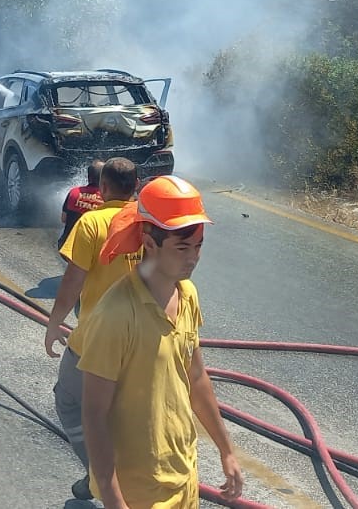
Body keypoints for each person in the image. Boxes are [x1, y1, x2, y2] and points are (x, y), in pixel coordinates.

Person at [77, 175, 244, 509]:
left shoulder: (187, 295)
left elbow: (196, 378)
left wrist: (227, 451)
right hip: (138, 490)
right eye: (182, 248)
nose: (193, 258)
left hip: (182, 475)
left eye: (198, 247)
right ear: (150, 243)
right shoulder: (116, 314)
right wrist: (113, 500)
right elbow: (94, 414)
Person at [44, 157, 139, 502]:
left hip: (97, 340)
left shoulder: (91, 223)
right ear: (136, 187)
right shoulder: (150, 224)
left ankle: (99, 475)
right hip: (142, 341)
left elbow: (72, 280)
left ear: (103, 189)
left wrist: (55, 323)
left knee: (69, 402)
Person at [59, 159, 106, 249]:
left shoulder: (73, 192)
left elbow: (63, 219)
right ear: (105, 179)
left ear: (88, 177)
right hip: (91, 250)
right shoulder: (107, 198)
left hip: (66, 246)